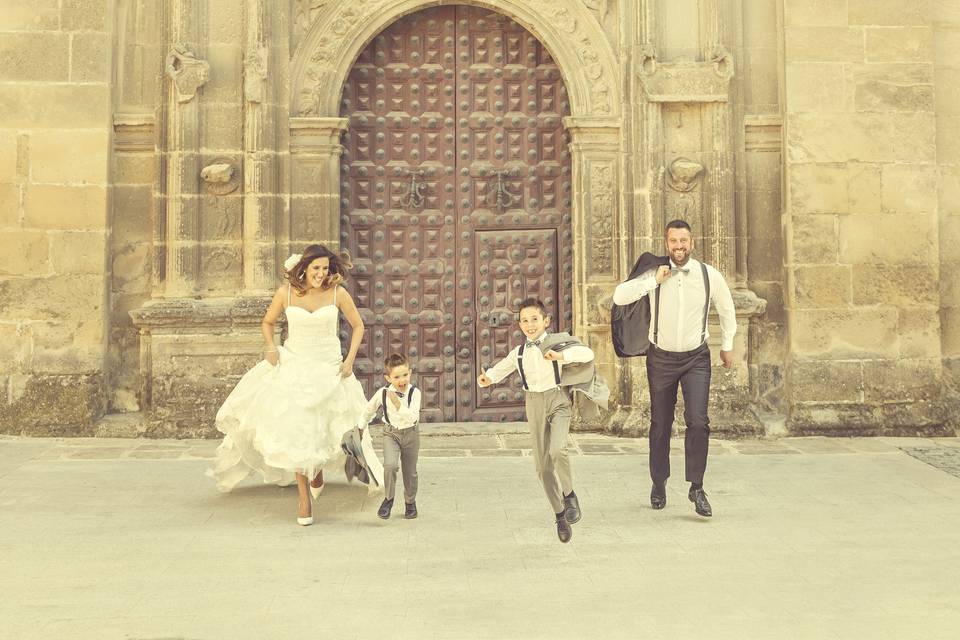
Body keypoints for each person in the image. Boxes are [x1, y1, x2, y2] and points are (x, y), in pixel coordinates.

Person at [208, 244, 376, 526]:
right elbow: (268, 322)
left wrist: (349, 361)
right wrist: (271, 347)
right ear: (304, 268)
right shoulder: (286, 293)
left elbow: (358, 326)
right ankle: (303, 498)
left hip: (328, 365)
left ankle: (317, 470)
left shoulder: (337, 293)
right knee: (299, 426)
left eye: (325, 268)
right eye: (315, 269)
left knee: (323, 425)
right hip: (295, 364)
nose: (321, 274)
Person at [612, 219, 736, 517]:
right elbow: (619, 297)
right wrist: (653, 280)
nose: (679, 246)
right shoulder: (654, 273)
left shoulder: (709, 275)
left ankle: (697, 486)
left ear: (691, 242)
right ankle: (659, 481)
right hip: (662, 358)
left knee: (698, 421)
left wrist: (728, 344)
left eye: (683, 241)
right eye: (673, 242)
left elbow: (727, 308)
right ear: (666, 243)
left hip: (697, 358)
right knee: (660, 424)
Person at [477, 298, 598, 544]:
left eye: (535, 319)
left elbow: (587, 353)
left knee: (558, 449)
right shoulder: (519, 352)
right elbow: (501, 368)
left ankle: (570, 495)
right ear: (519, 324)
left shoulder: (557, 343)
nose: (530, 325)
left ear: (546, 321)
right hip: (534, 403)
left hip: (558, 400)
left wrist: (561, 357)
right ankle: (560, 515)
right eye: (524, 320)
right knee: (542, 468)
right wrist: (488, 378)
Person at [357, 353, 423, 520]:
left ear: (410, 373)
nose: (402, 380)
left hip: (411, 434)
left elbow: (412, 417)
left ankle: (410, 503)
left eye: (405, 375)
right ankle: (388, 499)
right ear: (388, 378)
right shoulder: (382, 393)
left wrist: (398, 404)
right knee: (390, 465)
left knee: (410, 471)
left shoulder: (415, 393)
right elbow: (369, 409)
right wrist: (360, 427)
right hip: (390, 433)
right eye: (397, 377)